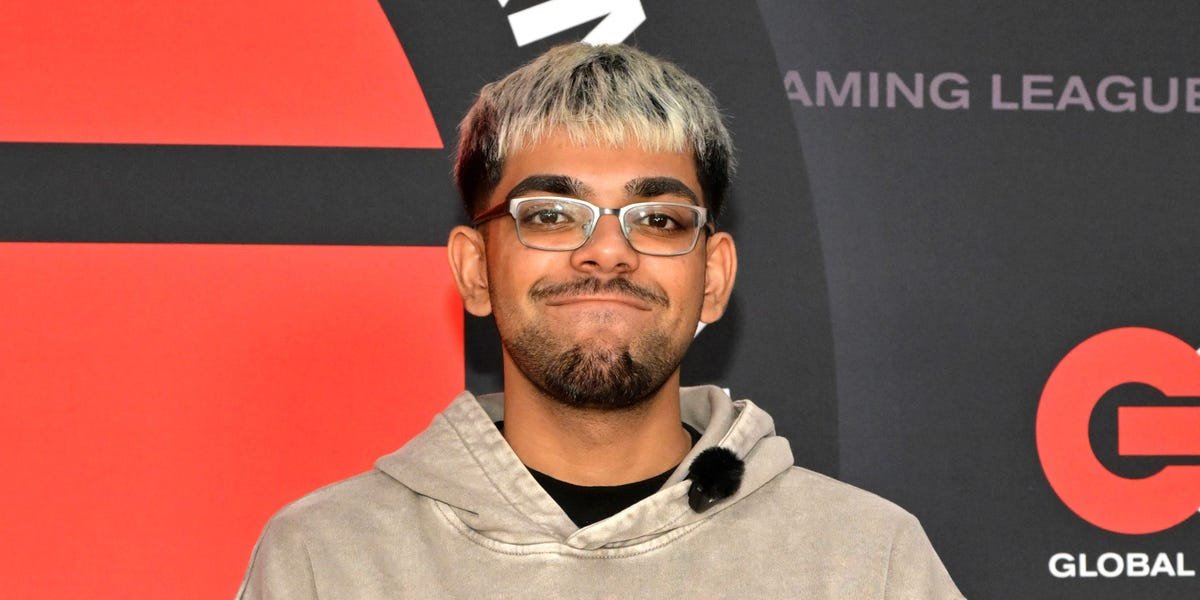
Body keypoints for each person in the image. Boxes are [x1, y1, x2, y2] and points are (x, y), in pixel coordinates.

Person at [238, 43, 963, 599]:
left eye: (658, 218)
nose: (607, 252)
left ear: (712, 278)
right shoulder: (327, 562)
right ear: (475, 269)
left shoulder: (866, 563)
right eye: (552, 215)